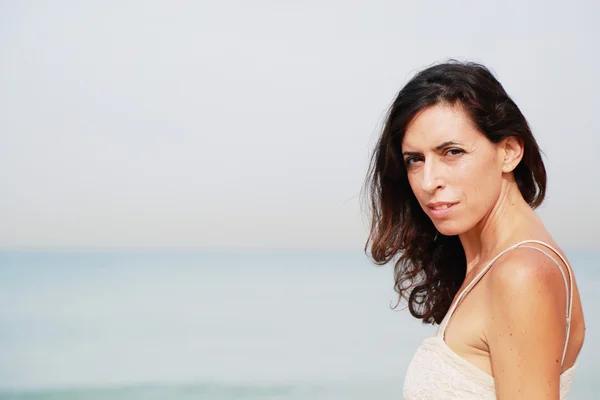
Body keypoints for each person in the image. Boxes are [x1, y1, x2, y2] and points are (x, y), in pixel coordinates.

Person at [362, 60, 585, 399]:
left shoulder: (521, 273)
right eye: (414, 159)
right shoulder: (489, 265)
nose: (428, 181)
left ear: (509, 152)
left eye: (452, 152)